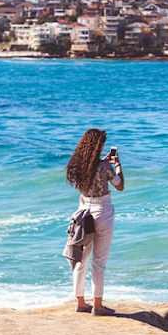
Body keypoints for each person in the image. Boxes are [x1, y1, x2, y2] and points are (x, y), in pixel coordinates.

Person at [66, 129, 124, 316]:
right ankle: (98, 307)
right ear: (98, 146)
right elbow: (120, 185)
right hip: (102, 212)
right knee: (99, 262)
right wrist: (117, 165)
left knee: (81, 260)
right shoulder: (104, 166)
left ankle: (80, 302)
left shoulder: (77, 166)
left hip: (83, 212)